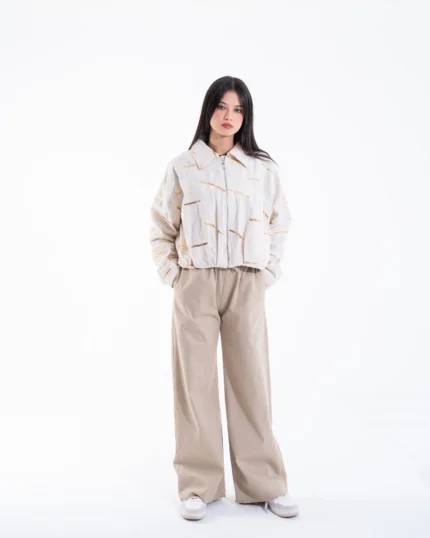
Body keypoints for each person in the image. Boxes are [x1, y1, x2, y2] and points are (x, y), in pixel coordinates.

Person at [149, 76, 299, 521]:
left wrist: (267, 272)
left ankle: (265, 484)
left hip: (245, 282)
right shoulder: (184, 166)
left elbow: (279, 223)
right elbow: (161, 225)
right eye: (221, 106)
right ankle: (198, 486)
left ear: (246, 116)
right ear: (208, 110)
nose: (229, 116)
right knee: (194, 385)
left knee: (251, 382)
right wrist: (174, 275)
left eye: (238, 109)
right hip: (194, 283)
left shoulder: (261, 169)